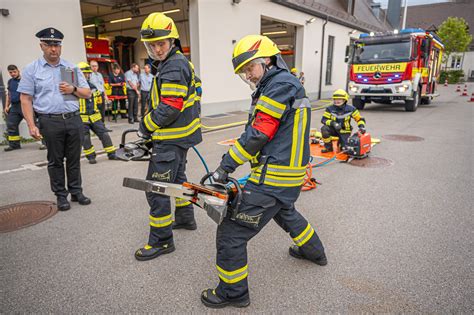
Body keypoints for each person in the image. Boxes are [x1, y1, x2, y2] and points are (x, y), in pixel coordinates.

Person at [201, 35, 326, 308]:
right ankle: (314, 252)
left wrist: (225, 167)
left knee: (231, 233)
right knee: (284, 211)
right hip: (288, 176)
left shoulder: (278, 85)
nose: (248, 75)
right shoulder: (281, 83)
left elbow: (259, 133)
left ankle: (233, 293)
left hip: (275, 176)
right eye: (244, 71)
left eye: (250, 68)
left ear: (266, 60)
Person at [134, 12, 202, 261]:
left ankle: (161, 242)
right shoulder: (180, 62)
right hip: (182, 138)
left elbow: (170, 106)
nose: (157, 48)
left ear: (172, 40)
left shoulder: (173, 65)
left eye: (161, 43)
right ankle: (185, 218)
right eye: (152, 45)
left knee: (156, 189)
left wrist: (145, 126)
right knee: (178, 178)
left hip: (171, 139)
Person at [18, 27, 92, 211]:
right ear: (41, 45)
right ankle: (61, 195)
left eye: (57, 45)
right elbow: (25, 98)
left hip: (73, 119)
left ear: (61, 46)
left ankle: (76, 191)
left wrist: (73, 89)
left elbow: (87, 93)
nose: (53, 49)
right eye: (49, 45)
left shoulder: (70, 68)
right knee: (55, 160)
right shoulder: (32, 70)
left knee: (74, 159)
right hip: (50, 121)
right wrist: (31, 124)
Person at [77, 62, 118, 164]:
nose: (86, 75)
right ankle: (91, 156)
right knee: (85, 138)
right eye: (84, 73)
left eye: (87, 73)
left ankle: (111, 153)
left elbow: (98, 103)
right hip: (82, 118)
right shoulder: (74, 88)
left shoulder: (93, 87)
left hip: (95, 116)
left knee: (104, 134)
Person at [320, 89, 366, 153]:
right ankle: (328, 147)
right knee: (324, 129)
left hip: (345, 131)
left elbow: (359, 119)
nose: (336, 101)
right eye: (335, 99)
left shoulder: (351, 109)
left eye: (339, 99)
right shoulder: (329, 109)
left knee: (344, 149)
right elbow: (324, 120)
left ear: (344, 100)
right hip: (334, 130)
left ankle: (341, 143)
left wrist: (362, 127)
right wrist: (333, 123)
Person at [4, 65, 23, 151]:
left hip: (24, 105)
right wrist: (6, 106)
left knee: (35, 122)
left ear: (18, 71)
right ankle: (14, 145)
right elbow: (9, 94)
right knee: (11, 124)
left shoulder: (24, 80)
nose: (12, 74)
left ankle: (45, 143)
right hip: (14, 106)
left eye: (14, 72)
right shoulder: (10, 82)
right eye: (10, 72)